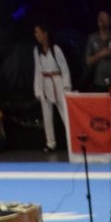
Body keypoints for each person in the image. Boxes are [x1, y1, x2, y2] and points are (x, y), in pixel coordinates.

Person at [32, 24, 73, 153]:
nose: (37, 35)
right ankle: (50, 143)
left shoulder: (55, 49)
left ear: (45, 33)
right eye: (35, 33)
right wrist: (37, 89)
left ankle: (72, 141)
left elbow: (64, 68)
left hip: (57, 82)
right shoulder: (37, 50)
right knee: (47, 115)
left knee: (65, 114)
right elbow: (38, 70)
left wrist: (66, 86)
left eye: (38, 32)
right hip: (45, 84)